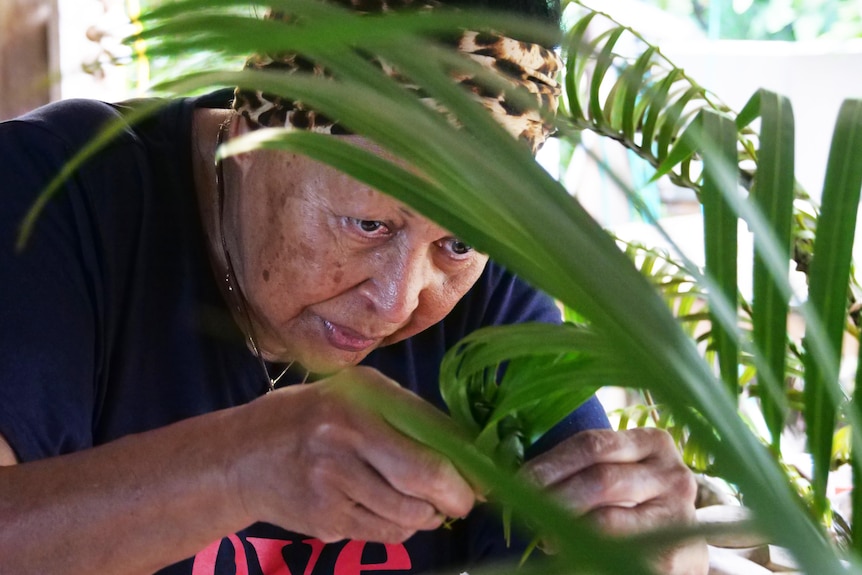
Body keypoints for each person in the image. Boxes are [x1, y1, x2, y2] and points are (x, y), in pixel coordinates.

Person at [0, 0, 708, 573]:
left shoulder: (489, 297)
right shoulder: (48, 201)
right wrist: (244, 462)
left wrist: (654, 548)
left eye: (457, 243)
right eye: (367, 223)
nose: (401, 300)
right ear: (254, 133)